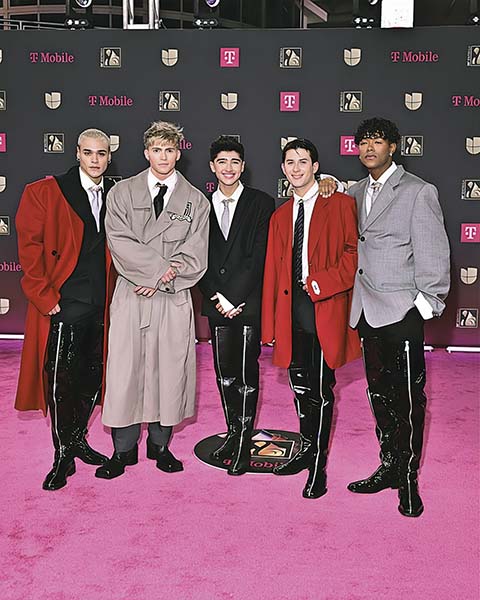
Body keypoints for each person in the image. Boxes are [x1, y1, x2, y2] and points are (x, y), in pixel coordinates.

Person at [347, 117, 450, 517]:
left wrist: (425, 304)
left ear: (393, 147)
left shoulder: (418, 191)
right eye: (363, 142)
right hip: (366, 310)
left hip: (403, 311)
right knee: (379, 395)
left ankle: (408, 480)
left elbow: (433, 250)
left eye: (378, 141)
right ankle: (389, 466)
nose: (369, 148)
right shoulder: (354, 191)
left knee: (408, 399)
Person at [96, 121, 210, 480]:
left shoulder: (196, 201)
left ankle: (160, 446)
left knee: (169, 371)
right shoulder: (121, 193)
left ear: (178, 154)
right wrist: (154, 273)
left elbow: (196, 253)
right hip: (131, 294)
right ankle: (123, 450)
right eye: (157, 150)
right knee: (125, 372)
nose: (163, 156)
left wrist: (163, 278)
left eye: (170, 150)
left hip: (172, 297)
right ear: (147, 153)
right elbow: (118, 241)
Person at [15, 128, 115, 490]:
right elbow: (29, 251)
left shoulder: (116, 193)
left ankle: (77, 440)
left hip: (102, 303)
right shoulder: (44, 192)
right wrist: (46, 297)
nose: (94, 160)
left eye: (101, 153)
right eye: (88, 152)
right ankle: (62, 455)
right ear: (77, 153)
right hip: (64, 303)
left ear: (109, 157)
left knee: (92, 377)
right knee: (60, 382)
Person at [262, 138, 361, 499]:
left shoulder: (340, 203)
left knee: (320, 389)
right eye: (290, 162)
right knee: (300, 385)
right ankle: (306, 450)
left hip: (324, 306)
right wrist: (271, 325)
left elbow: (353, 255)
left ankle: (319, 465)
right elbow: (273, 273)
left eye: (303, 161)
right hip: (291, 313)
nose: (296, 168)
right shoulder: (279, 216)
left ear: (316, 167)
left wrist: (322, 282)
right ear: (283, 169)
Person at [198, 136, 275, 476]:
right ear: (212, 166)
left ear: (243, 167)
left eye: (234, 162)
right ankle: (232, 432)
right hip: (216, 303)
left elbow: (259, 255)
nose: (228, 168)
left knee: (246, 375)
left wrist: (234, 297)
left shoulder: (261, 202)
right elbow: (195, 256)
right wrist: (216, 296)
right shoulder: (200, 205)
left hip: (246, 304)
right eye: (222, 162)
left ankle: (244, 442)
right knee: (224, 375)